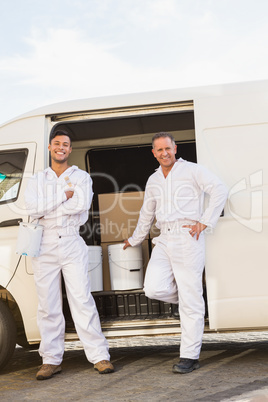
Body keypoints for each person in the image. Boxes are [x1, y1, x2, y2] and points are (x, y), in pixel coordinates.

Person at [124, 132, 228, 374]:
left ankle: (189, 356)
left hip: (187, 236)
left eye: (167, 148)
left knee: (190, 300)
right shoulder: (153, 179)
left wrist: (204, 221)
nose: (164, 153)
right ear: (154, 153)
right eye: (159, 150)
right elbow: (146, 213)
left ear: (175, 148)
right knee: (153, 287)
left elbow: (219, 189)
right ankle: (192, 303)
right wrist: (135, 239)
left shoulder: (191, 170)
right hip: (164, 238)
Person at [24, 129, 114, 380]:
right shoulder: (37, 178)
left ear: (70, 149)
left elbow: (81, 206)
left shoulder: (81, 176)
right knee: (48, 304)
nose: (61, 147)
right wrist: (63, 195)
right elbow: (31, 208)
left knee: (81, 299)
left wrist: (48, 206)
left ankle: (99, 356)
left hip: (72, 240)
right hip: (44, 243)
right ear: (50, 147)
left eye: (65, 144)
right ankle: (50, 360)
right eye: (57, 143)